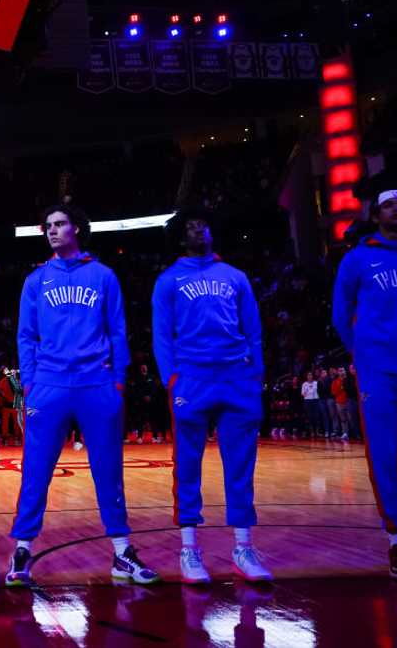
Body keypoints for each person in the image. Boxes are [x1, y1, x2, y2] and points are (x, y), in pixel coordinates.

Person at [7, 204, 158, 588]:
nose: (52, 231)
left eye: (60, 224)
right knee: (36, 470)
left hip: (97, 384)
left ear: (77, 229)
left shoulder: (103, 276)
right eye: (49, 226)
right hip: (50, 385)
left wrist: (118, 381)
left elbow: (117, 330)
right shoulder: (35, 280)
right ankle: (22, 548)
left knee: (108, 471)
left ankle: (122, 551)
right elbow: (26, 335)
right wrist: (31, 383)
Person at [152, 207, 272, 584]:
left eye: (202, 223)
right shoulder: (168, 280)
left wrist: (255, 374)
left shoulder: (235, 276)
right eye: (189, 225)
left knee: (241, 465)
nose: (197, 229)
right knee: (187, 466)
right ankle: (189, 549)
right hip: (192, 378)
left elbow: (253, 329)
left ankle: (243, 546)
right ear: (180, 235)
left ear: (212, 231)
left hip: (237, 376)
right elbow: (162, 334)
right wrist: (172, 378)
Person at [332, 188, 397, 580]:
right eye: (389, 204)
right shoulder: (357, 260)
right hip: (378, 369)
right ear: (376, 214)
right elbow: (341, 315)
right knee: (383, 453)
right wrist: (364, 353)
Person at [301, 371, 322, 438]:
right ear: (307, 376)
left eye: (311, 375)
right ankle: (312, 432)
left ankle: (317, 431)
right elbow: (303, 394)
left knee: (317, 416)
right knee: (310, 417)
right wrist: (308, 391)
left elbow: (319, 391)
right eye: (308, 375)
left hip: (315, 400)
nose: (310, 376)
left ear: (312, 376)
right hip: (307, 401)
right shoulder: (304, 384)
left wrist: (311, 391)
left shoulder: (316, 383)